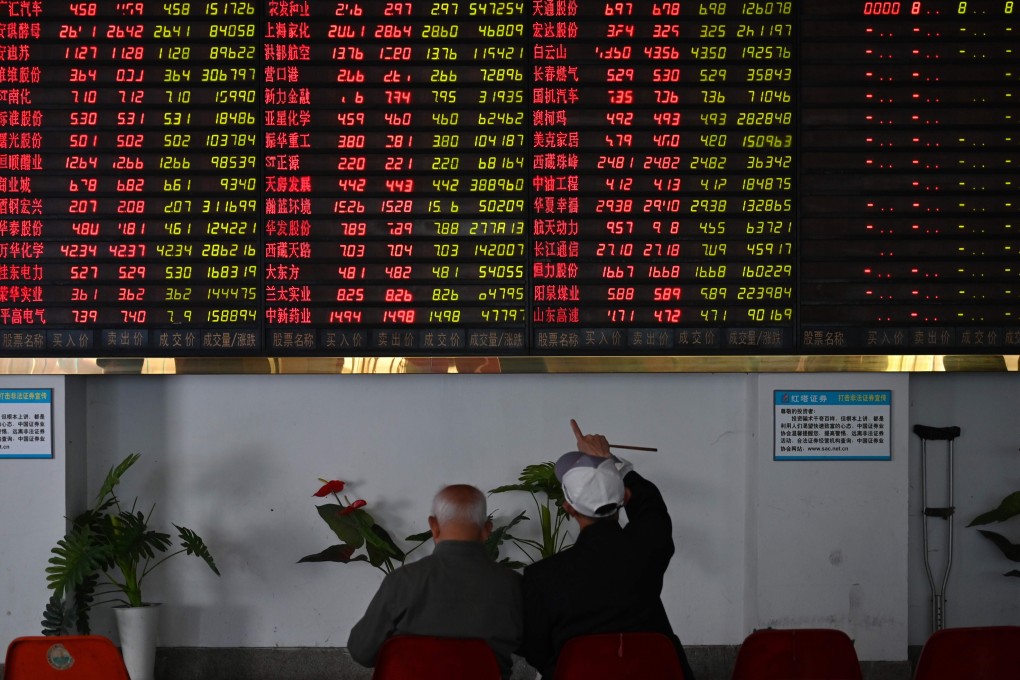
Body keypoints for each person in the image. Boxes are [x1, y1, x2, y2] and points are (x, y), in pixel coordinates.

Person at [520, 419, 695, 680]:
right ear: (624, 497)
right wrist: (607, 458)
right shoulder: (649, 547)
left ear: (568, 508)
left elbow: (536, 650)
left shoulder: (542, 577)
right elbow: (650, 504)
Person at [347, 484, 523, 679]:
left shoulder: (402, 581)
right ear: (487, 529)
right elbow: (537, 649)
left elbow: (362, 652)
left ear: (434, 526)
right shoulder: (513, 585)